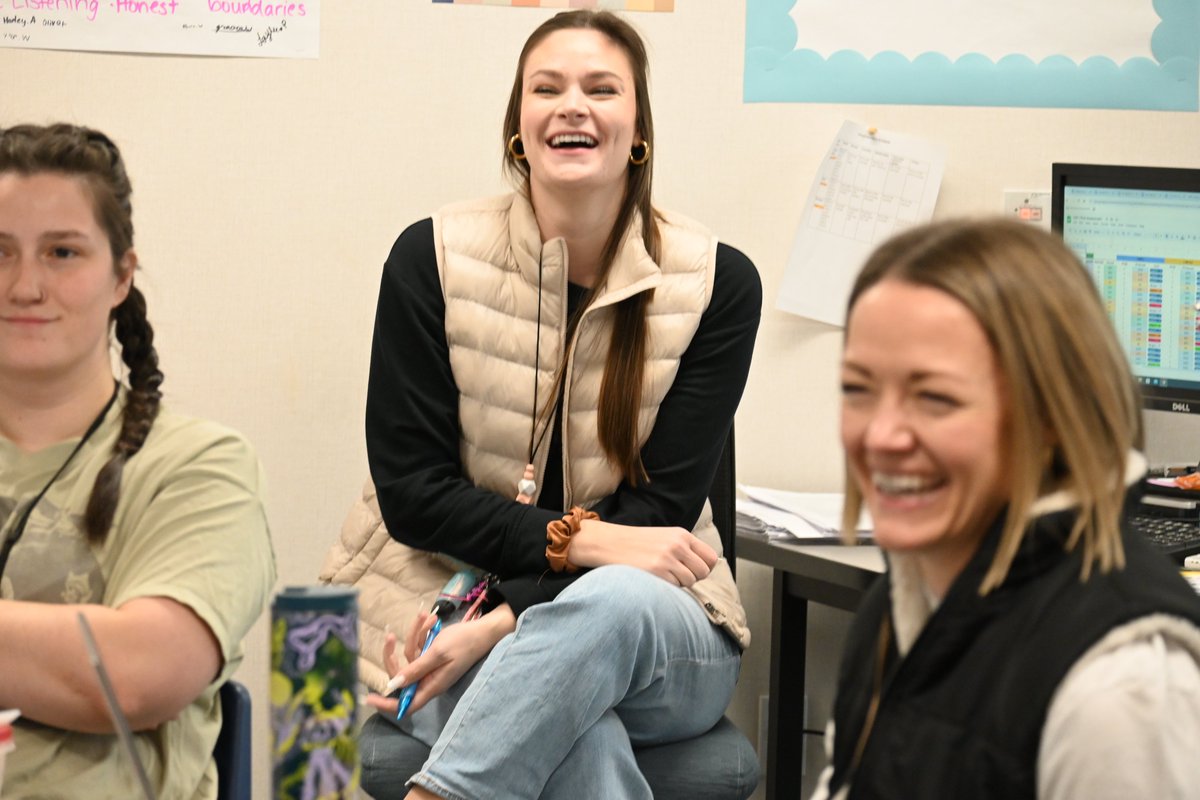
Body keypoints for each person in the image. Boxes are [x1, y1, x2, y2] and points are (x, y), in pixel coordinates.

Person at [323, 9, 761, 800]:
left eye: (602, 88)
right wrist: (580, 550)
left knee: (614, 602)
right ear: (518, 129)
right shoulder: (430, 258)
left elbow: (660, 514)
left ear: (638, 131)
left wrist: (506, 622)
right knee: (567, 722)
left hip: (656, 629)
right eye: (547, 88)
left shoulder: (717, 285)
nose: (573, 105)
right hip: (438, 604)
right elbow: (414, 498)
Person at [813, 218, 1200, 799]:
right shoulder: (902, 604)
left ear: (1050, 414)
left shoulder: (1120, 691)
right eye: (857, 388)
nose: (881, 435)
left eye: (935, 398)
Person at [0, 123, 276, 799]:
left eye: (62, 252)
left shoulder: (200, 466)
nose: (25, 286)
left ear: (122, 275)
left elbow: (133, 676)